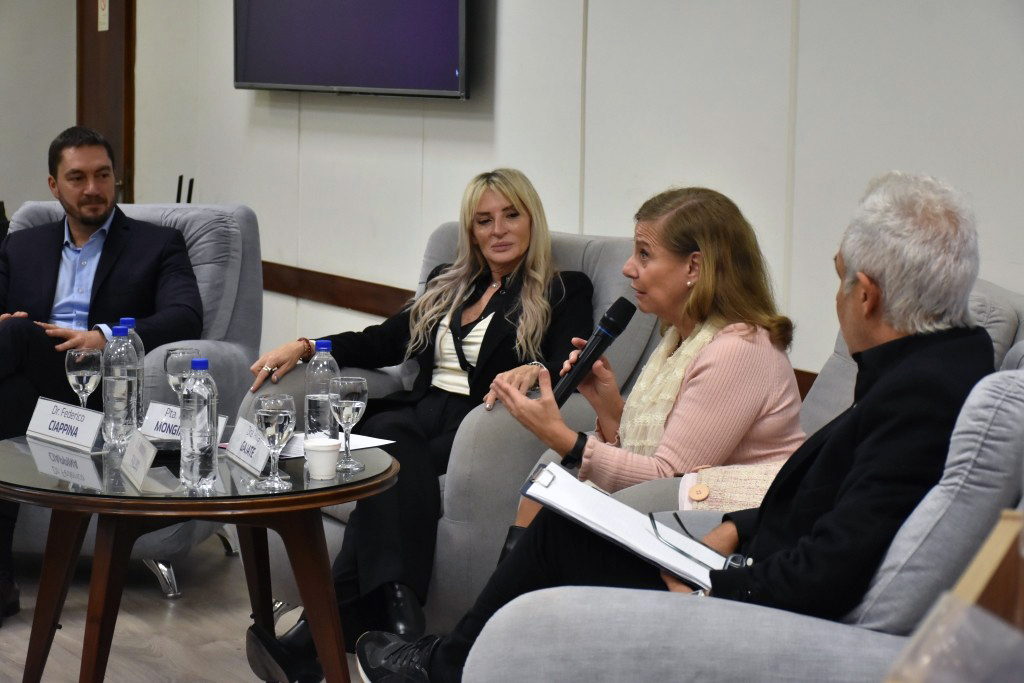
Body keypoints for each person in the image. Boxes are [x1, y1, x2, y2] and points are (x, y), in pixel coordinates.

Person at [353, 171, 994, 682]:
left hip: (739, 574)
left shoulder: (909, 395)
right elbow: (822, 495)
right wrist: (610, 413)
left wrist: (711, 573)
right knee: (551, 521)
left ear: (866, 294)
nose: (628, 269)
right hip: (727, 531)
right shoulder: (919, 374)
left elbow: (827, 561)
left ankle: (448, 664)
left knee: (555, 529)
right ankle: (450, 658)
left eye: (643, 253)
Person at [245, 169, 594, 683]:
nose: (498, 230)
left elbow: (571, 366)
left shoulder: (563, 289)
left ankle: (319, 636)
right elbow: (383, 339)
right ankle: (394, 609)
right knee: (389, 445)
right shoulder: (448, 284)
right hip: (420, 411)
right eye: (484, 220)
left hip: (480, 426)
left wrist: (533, 371)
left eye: (511, 215)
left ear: (531, 220)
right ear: (470, 231)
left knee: (386, 459)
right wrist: (307, 346)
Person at [493, 187, 804, 544]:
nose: (628, 268)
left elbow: (665, 481)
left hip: (725, 535)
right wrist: (608, 406)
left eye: (644, 254)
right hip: (662, 512)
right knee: (548, 487)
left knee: (553, 513)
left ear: (694, 266)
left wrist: (563, 438)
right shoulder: (677, 341)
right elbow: (653, 455)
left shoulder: (740, 350)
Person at [0, 126, 204, 626]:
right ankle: (1, 585)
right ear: (54, 185)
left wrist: (104, 336)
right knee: (10, 390)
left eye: (102, 175)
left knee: (22, 336)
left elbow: (185, 315)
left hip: (99, 389)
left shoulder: (159, 244)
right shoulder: (22, 245)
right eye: (77, 177)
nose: (92, 188)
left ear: (116, 179)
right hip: (30, 389)